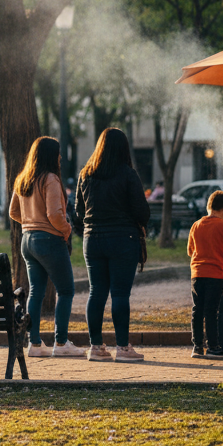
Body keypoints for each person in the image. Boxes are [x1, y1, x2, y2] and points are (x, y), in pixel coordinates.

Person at [74, 127, 150, 363]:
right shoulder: (128, 174)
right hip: (122, 240)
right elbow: (142, 212)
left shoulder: (85, 174)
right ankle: (123, 348)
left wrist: (87, 230)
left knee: (96, 292)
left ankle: (95, 347)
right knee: (119, 294)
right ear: (123, 148)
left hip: (92, 240)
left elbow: (78, 211)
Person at [9, 137, 84, 359]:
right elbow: (54, 214)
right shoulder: (50, 179)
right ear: (51, 156)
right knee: (66, 290)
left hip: (27, 241)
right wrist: (66, 229)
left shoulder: (23, 178)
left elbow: (13, 211)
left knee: (37, 292)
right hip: (49, 240)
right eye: (58, 153)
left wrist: (31, 223)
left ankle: (34, 343)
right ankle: (61, 342)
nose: (60, 158)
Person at [187, 190, 223, 359]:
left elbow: (190, 251)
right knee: (211, 311)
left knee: (198, 309)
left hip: (196, 273)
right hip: (215, 274)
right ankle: (212, 347)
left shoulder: (196, 225)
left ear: (208, 206)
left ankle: (197, 346)